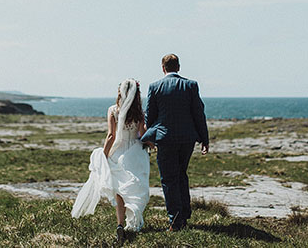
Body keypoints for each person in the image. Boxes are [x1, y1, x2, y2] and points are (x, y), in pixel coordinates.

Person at [71, 78, 151, 244]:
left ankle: (120, 224)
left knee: (119, 190)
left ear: (119, 92)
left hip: (118, 152)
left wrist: (104, 155)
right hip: (135, 153)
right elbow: (143, 135)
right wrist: (152, 143)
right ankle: (134, 220)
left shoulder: (113, 110)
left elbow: (111, 136)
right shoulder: (140, 113)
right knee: (137, 187)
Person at [141, 54, 209, 231]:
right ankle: (184, 216)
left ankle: (175, 221)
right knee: (181, 175)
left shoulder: (155, 86)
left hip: (165, 139)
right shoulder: (191, 85)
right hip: (187, 139)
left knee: (169, 179)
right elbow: (198, 114)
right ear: (178, 67)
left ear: (163, 68)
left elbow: (150, 116)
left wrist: (150, 135)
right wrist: (204, 139)